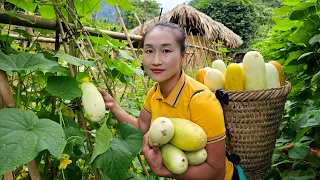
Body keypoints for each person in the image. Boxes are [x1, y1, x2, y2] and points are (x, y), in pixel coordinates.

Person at [98, 22, 236, 180]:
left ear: (183, 57)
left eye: (166, 50)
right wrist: (112, 105)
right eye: (149, 50)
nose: (156, 60)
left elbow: (216, 173)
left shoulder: (201, 99)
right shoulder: (154, 92)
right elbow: (142, 127)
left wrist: (163, 171)